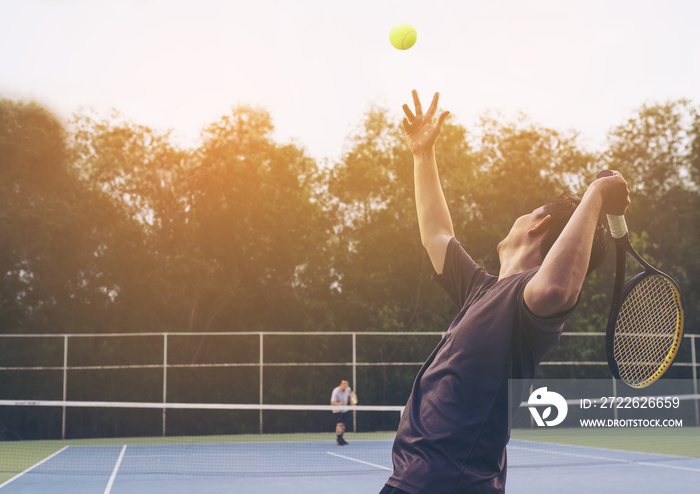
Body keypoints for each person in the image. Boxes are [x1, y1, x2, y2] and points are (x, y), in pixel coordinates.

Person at [379, 91, 630, 494]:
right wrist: (422, 155)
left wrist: (595, 196)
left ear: (538, 226)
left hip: (444, 484)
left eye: (528, 212)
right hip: (422, 480)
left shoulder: (526, 300)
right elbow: (437, 234)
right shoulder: (482, 289)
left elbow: (556, 287)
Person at [330, 379, 352, 445]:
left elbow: (349, 397)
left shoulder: (348, 389)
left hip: (344, 409)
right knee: (340, 424)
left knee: (343, 425)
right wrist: (339, 404)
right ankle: (339, 439)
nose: (345, 386)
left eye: (346, 384)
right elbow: (332, 402)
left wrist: (351, 402)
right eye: (344, 384)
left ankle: (341, 438)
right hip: (337, 410)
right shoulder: (336, 391)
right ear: (341, 384)